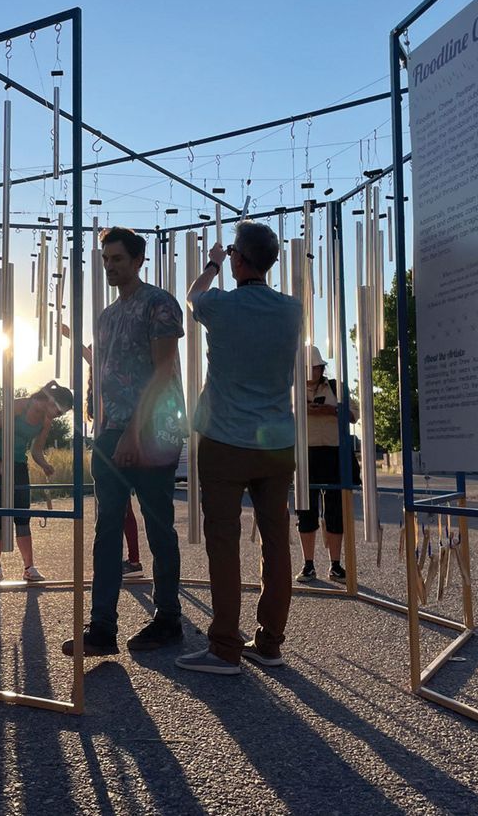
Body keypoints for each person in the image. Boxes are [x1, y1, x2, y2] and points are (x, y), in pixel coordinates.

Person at [175, 223, 301, 675]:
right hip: (278, 443)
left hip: (225, 439)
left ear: (237, 259)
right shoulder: (293, 310)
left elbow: (193, 295)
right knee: (276, 543)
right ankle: (270, 643)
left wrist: (211, 263)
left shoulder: (220, 305)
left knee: (223, 543)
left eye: (232, 254)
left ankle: (225, 646)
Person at [63, 226, 187, 658]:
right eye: (106, 259)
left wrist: (135, 431)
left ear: (138, 260)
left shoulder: (160, 304)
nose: (110, 265)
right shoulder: (106, 316)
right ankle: (102, 627)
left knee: (158, 527)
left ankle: (168, 617)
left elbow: (164, 370)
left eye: (118, 258)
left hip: (152, 430)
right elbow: (105, 370)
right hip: (110, 433)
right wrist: (99, 421)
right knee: (107, 529)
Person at [61, 322, 144, 578]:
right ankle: (132, 560)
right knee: (123, 508)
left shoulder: (109, 374)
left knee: (116, 508)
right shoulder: (101, 384)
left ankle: (130, 561)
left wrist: (71, 335)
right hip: (118, 440)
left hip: (115, 442)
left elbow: (93, 360)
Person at [0, 381, 75, 583]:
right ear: (51, 400)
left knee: (22, 516)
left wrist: (45, 464)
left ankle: (29, 567)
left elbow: (36, 450)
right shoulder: (20, 405)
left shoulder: (46, 421)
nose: (57, 416)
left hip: (19, 465)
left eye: (62, 415)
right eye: (59, 411)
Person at [297, 345, 359, 584]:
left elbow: (354, 415)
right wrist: (305, 411)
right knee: (306, 511)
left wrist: (331, 410)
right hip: (306, 454)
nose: (312, 371)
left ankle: (335, 565)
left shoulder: (336, 387)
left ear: (321, 367)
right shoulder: (294, 390)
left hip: (334, 454)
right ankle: (308, 564)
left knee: (335, 512)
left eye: (314, 367)